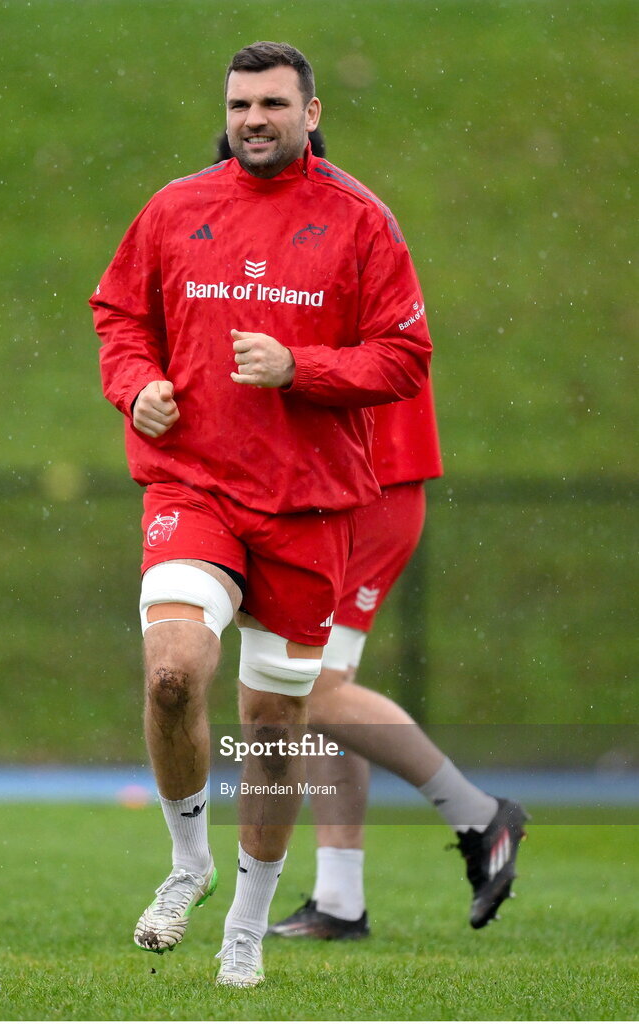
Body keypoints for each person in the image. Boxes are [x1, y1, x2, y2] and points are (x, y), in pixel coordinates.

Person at [90, 41, 433, 987]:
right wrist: (136, 386)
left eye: (274, 104)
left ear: (311, 113)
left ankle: (246, 922)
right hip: (193, 487)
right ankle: (187, 864)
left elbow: (404, 360)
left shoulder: (361, 221)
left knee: (274, 730)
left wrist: (299, 368)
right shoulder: (175, 207)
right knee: (172, 674)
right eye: (241, 104)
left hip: (308, 505)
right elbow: (120, 316)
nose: (254, 119)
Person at [214, 128, 530, 939]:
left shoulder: (340, 228)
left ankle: (478, 815)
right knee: (315, 686)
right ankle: (341, 899)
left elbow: (386, 359)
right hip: (337, 489)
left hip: (369, 488)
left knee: (311, 691)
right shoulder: (312, 227)